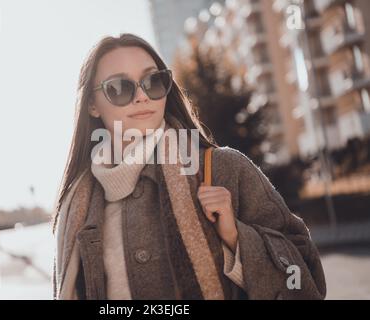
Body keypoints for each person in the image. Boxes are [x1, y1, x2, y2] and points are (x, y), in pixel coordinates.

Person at [52, 33, 326, 300]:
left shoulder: (223, 169)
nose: (141, 96)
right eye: (120, 88)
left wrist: (236, 238)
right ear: (92, 105)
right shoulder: (75, 206)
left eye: (153, 81)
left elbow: (305, 277)